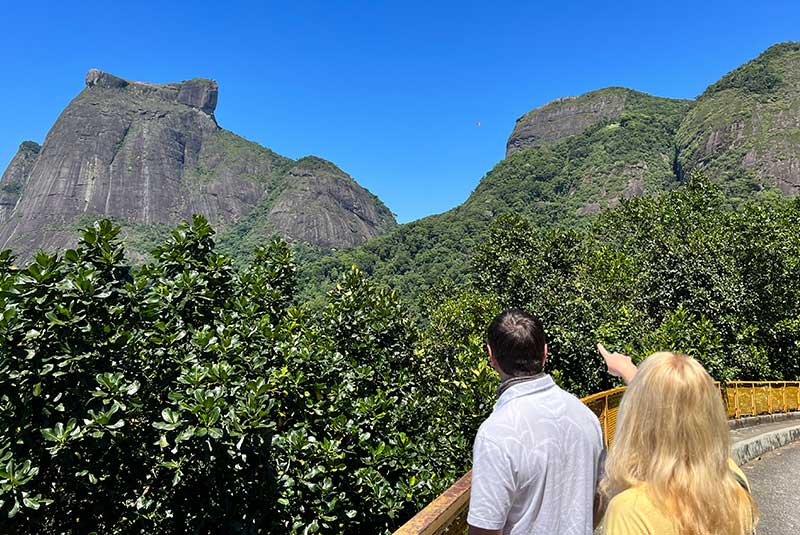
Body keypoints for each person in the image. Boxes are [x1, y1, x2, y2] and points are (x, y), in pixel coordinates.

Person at [467, 309, 605, 535]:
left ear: (491, 357)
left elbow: (485, 529)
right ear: (545, 352)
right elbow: (600, 497)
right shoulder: (586, 416)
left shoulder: (495, 433)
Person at [596, 344, 759, 535]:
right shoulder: (733, 482)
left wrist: (639, 387)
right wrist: (631, 373)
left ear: (635, 418)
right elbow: (678, 407)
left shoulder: (631, 511)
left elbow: (659, 411)